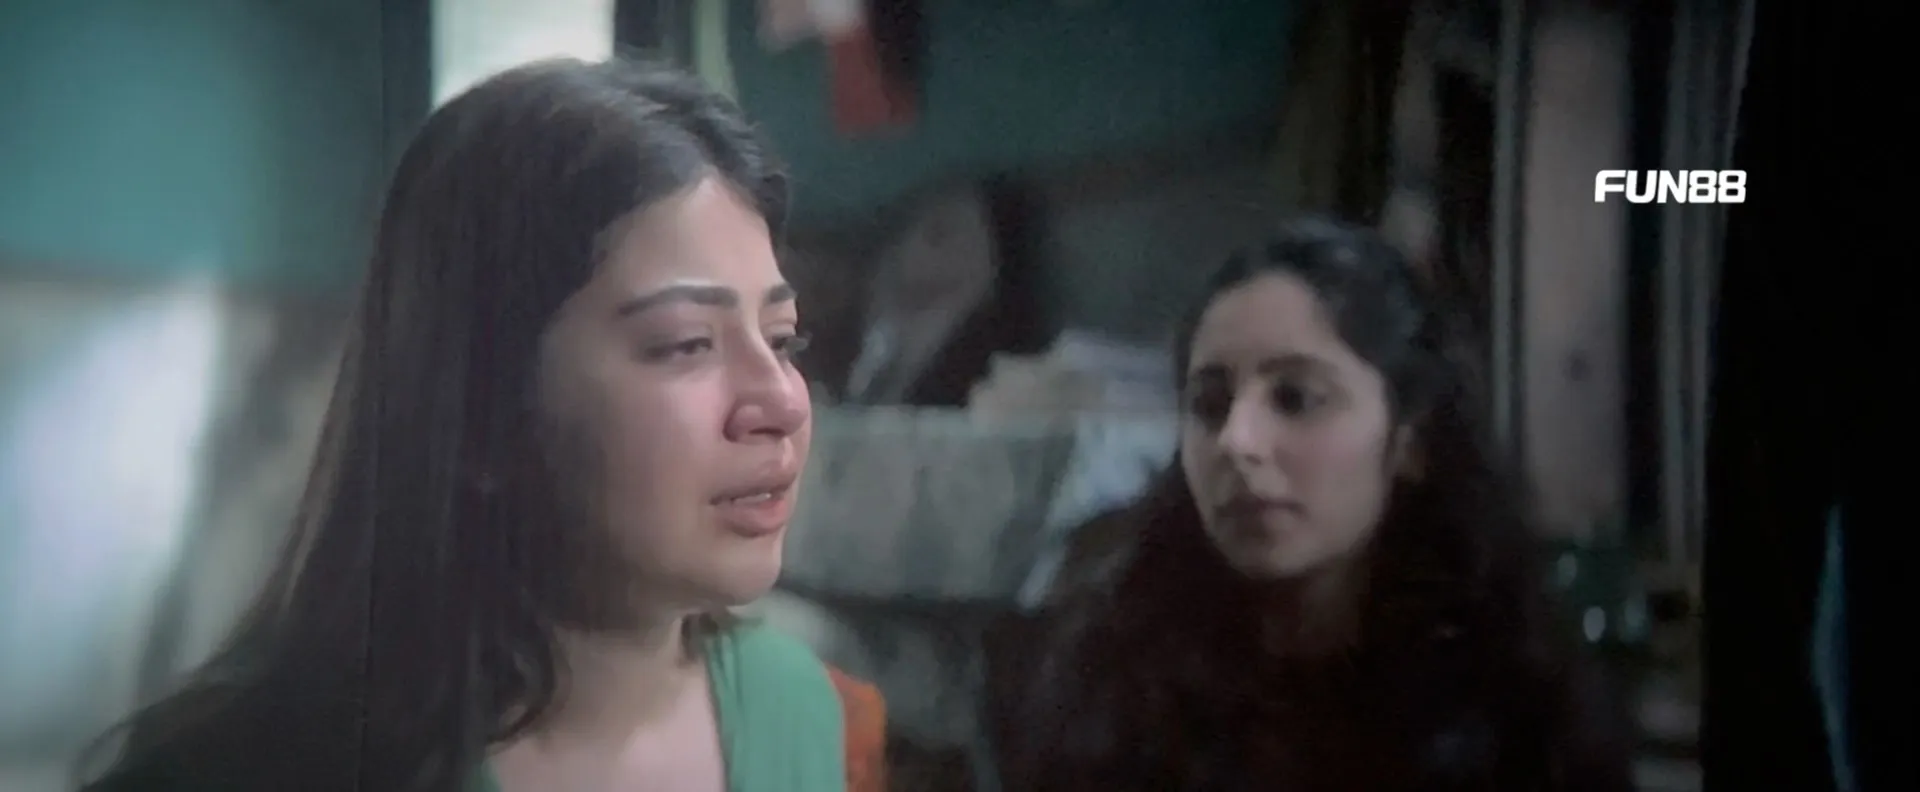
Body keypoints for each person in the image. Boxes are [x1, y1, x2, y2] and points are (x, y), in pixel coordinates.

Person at [77, 58, 886, 792]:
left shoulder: (813, 718)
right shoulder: (245, 768)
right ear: (485, 413)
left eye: (783, 340)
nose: (783, 403)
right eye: (684, 344)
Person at [984, 218, 1634, 791]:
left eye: (1296, 398)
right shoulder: (1110, 685)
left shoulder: (1518, 709)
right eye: (1210, 405)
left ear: (1409, 440)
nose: (1238, 442)